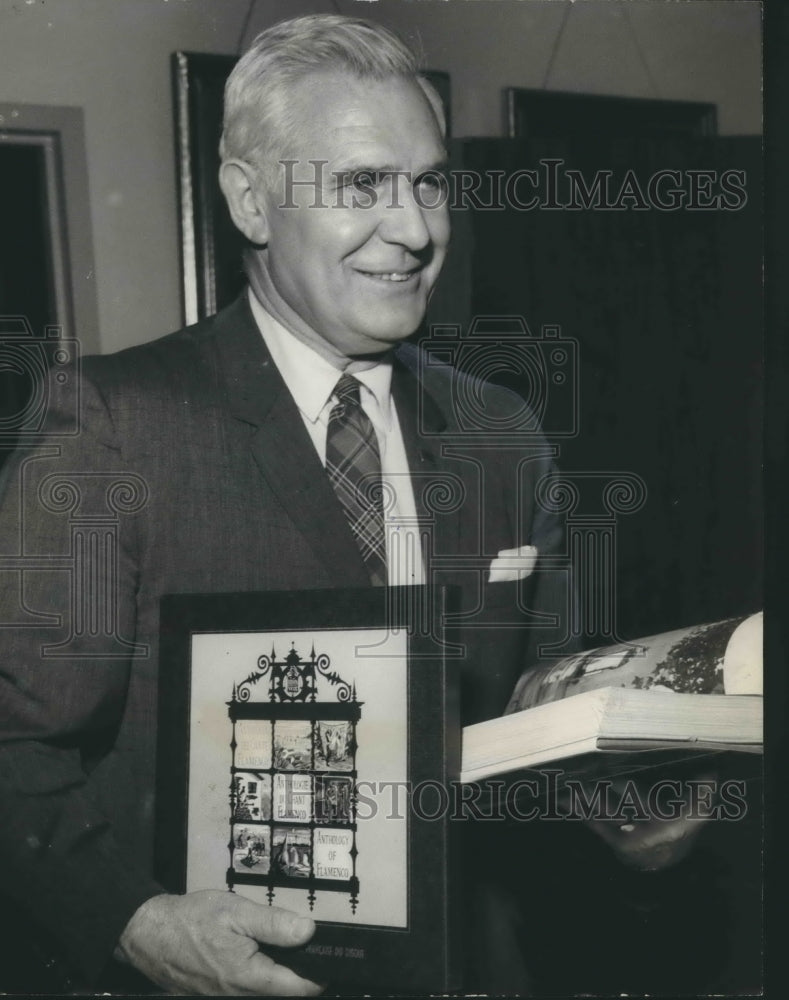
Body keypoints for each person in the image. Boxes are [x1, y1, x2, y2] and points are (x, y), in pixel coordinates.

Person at [0, 15, 568, 995]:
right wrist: (135, 920)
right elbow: (16, 744)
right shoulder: (113, 425)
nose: (417, 229)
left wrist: (634, 809)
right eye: (361, 185)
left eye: (429, 181)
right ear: (250, 201)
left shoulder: (501, 432)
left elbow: (540, 717)